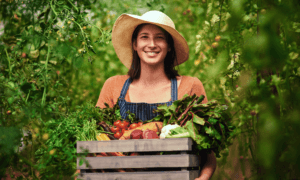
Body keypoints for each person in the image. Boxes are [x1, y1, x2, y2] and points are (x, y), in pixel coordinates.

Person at [95, 10, 216, 180]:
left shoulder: (190, 86)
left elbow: (207, 152)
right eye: (144, 37)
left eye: (159, 37)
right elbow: (94, 146)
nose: (152, 44)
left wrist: (203, 178)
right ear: (134, 44)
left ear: (169, 46)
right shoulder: (113, 86)